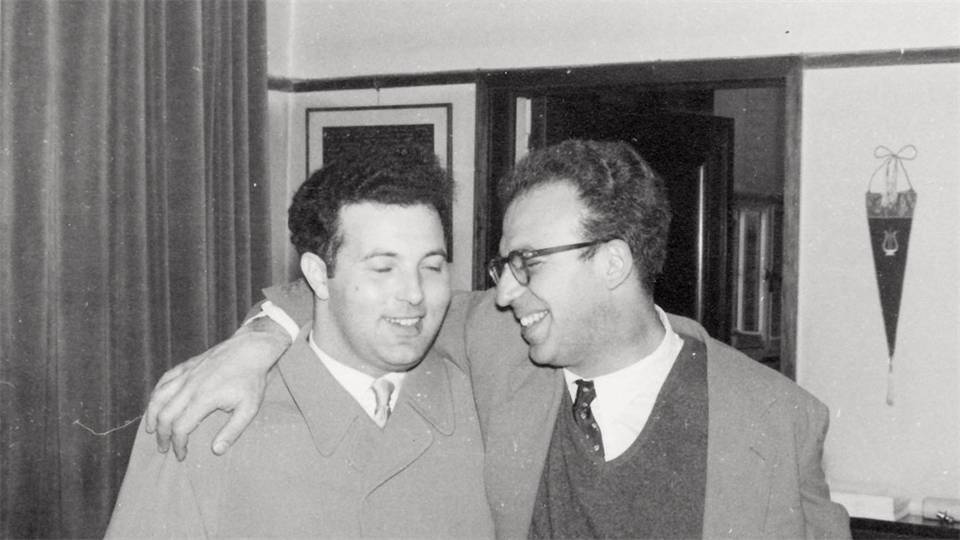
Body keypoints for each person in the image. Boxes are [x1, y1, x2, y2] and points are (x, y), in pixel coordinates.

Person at [148, 140, 851, 538]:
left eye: (528, 263)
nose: (506, 292)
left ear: (613, 261)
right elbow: (360, 297)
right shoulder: (500, 344)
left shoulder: (777, 419)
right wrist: (260, 337)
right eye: (503, 265)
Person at [106, 146, 494, 538]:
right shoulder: (206, 414)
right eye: (383, 268)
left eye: (432, 266)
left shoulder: (483, 403)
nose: (414, 294)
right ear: (318, 275)